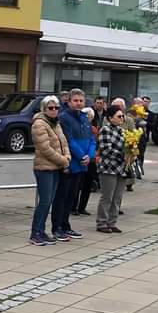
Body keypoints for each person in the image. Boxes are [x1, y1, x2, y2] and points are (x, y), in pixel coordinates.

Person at [54, 89, 95, 240]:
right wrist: (81, 155)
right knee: (62, 197)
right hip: (70, 163)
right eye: (75, 100)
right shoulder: (64, 117)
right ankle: (57, 227)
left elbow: (91, 139)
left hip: (82, 164)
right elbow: (68, 140)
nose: (78, 103)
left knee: (71, 198)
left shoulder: (84, 117)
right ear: (69, 102)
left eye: (81, 101)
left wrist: (90, 155)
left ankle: (66, 225)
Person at [30, 95, 70, 245]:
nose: (54, 110)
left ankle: (41, 230)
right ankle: (35, 232)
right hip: (44, 168)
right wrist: (62, 160)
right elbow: (45, 148)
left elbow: (64, 143)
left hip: (56, 167)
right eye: (50, 108)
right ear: (44, 109)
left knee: (50, 201)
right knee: (44, 202)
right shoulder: (39, 124)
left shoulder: (56, 123)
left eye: (56, 108)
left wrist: (67, 157)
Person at [96, 105, 127, 233]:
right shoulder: (105, 130)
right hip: (108, 167)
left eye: (122, 116)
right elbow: (106, 149)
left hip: (121, 168)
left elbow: (128, 146)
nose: (121, 118)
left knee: (117, 197)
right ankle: (102, 222)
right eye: (119, 116)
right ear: (110, 118)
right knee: (107, 196)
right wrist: (123, 155)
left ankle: (112, 222)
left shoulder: (122, 131)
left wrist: (130, 154)